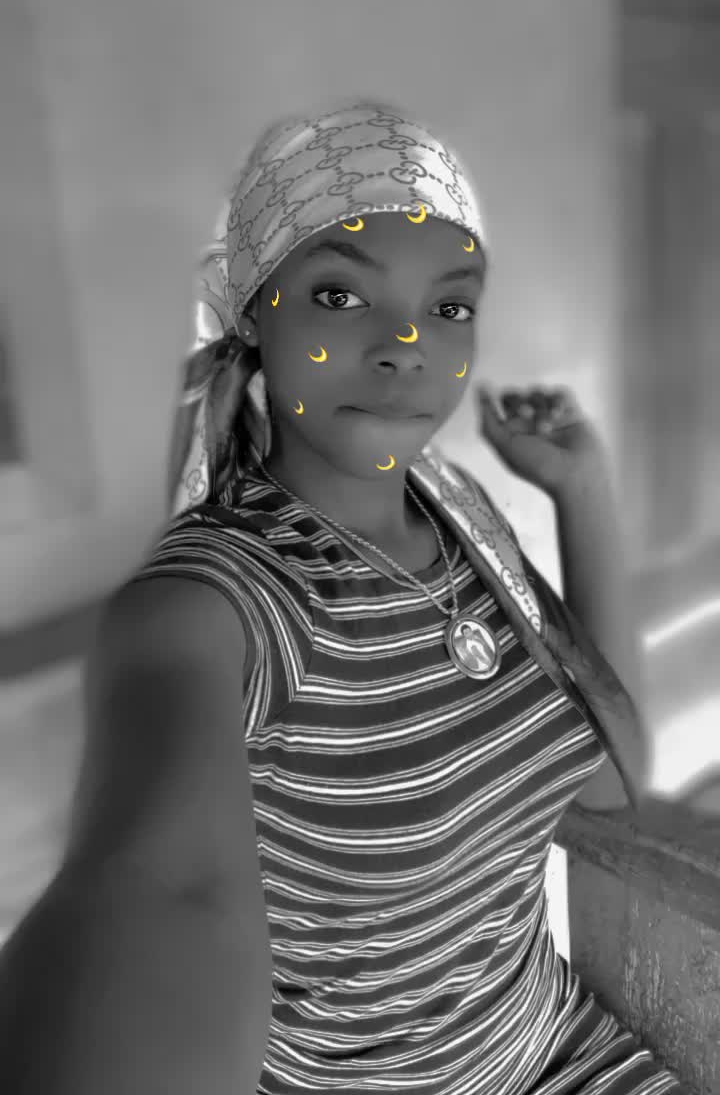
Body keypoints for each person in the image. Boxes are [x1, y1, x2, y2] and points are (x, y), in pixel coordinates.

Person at [0, 98, 685, 1094]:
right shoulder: (219, 600)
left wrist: (583, 492)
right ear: (255, 314)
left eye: (449, 307)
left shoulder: (465, 529)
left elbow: (609, 781)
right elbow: (162, 892)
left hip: (562, 1056)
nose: (407, 342)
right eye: (339, 293)